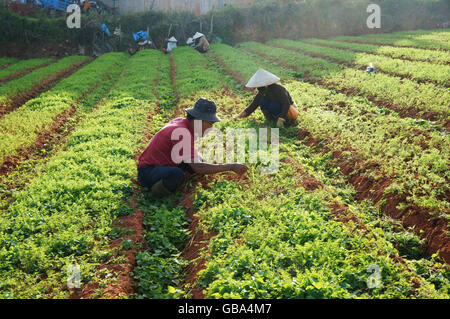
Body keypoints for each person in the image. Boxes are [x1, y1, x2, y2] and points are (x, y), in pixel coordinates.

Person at [137, 98, 248, 197]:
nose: (210, 128)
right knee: (176, 174)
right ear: (197, 120)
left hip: (162, 164)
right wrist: (230, 167)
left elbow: (194, 158)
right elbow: (198, 167)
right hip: (147, 171)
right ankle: (155, 193)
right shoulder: (182, 132)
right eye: (210, 124)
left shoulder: (183, 123)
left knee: (198, 159)